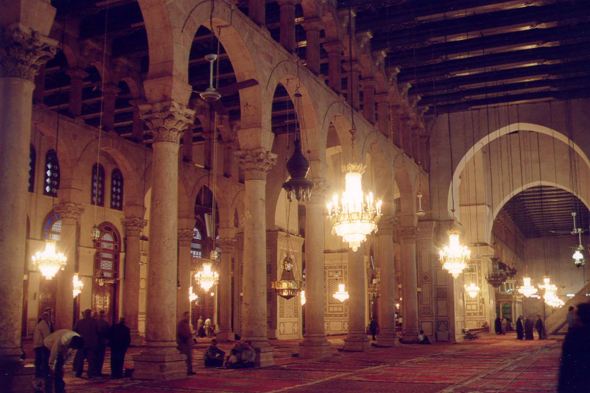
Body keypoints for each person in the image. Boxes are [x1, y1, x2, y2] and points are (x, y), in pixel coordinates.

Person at [558, 303, 590, 392]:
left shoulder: (574, 336)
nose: (573, 317)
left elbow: (567, 364)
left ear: (580, 316)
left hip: (576, 377)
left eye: (575, 314)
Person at [73, 309, 98, 378]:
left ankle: (79, 373)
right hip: (91, 343)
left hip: (82, 343)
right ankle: (90, 373)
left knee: (80, 359)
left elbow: (74, 330)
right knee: (91, 360)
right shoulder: (94, 322)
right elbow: (99, 331)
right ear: (90, 314)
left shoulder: (80, 322)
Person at [33, 312, 51, 380]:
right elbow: (47, 336)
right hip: (41, 345)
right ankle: (43, 374)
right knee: (43, 360)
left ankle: (38, 374)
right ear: (47, 318)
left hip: (37, 345)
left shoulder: (39, 324)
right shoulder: (44, 325)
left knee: (38, 360)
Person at [177, 311, 195, 375]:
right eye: (187, 316)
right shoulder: (181, 324)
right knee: (184, 357)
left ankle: (190, 370)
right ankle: (181, 370)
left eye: (189, 316)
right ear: (184, 316)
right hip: (183, 342)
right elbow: (181, 333)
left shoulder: (187, 323)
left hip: (187, 342)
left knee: (189, 357)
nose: (188, 318)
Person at [95, 310, 110, 376]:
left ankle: (93, 371)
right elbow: (108, 333)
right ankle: (98, 371)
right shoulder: (106, 323)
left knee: (95, 356)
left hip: (95, 341)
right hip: (102, 341)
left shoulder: (95, 322)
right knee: (100, 357)